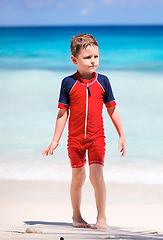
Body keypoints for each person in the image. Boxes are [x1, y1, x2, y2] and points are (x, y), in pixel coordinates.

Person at [42, 33, 126, 230]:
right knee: (78, 178)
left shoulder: (103, 81)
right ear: (74, 60)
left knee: (96, 177)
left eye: (96, 56)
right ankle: (77, 216)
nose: (93, 61)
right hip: (75, 139)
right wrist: (55, 140)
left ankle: (102, 217)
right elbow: (62, 113)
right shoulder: (68, 83)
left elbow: (112, 108)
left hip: (97, 138)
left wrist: (121, 134)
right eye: (87, 57)